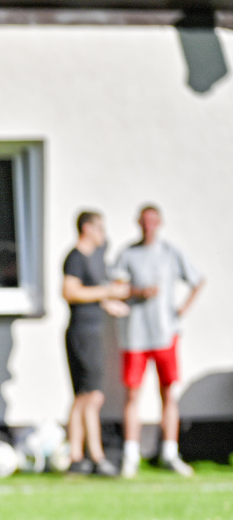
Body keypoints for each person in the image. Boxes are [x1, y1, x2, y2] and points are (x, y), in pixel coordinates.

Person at [111, 205, 205, 478]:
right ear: (138, 223)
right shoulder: (128, 254)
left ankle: (169, 453)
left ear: (160, 223)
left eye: (153, 221)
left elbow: (198, 280)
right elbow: (114, 287)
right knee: (132, 394)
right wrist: (137, 292)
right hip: (135, 336)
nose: (148, 226)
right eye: (144, 221)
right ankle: (131, 454)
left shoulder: (169, 253)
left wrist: (182, 309)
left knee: (168, 392)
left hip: (164, 334)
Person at [62, 211, 129, 476]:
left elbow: (92, 293)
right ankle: (77, 457)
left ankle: (93, 456)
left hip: (94, 331)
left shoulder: (96, 258)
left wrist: (108, 303)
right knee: (85, 395)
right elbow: (69, 291)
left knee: (92, 396)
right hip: (82, 333)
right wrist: (108, 291)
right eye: (100, 228)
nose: (104, 233)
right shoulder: (76, 257)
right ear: (87, 228)